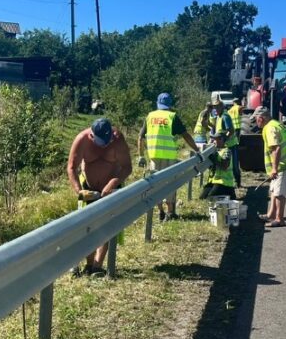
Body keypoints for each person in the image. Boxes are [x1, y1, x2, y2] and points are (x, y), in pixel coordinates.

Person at [67, 117, 132, 274]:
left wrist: (114, 182)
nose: (106, 144)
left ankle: (97, 267)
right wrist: (79, 191)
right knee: (87, 227)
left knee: (105, 228)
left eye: (108, 140)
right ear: (92, 136)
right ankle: (88, 264)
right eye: (102, 141)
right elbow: (71, 167)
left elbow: (127, 167)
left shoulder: (117, 139)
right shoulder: (82, 140)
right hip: (88, 189)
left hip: (110, 190)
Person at [137, 92, 200, 221]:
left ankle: (160, 211)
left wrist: (141, 155)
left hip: (154, 155)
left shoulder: (150, 116)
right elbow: (185, 135)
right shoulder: (172, 116)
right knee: (170, 183)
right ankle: (170, 212)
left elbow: (140, 137)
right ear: (170, 104)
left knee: (156, 184)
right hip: (169, 156)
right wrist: (196, 149)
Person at [252, 106, 286, 227]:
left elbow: (276, 148)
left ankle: (279, 219)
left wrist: (274, 168)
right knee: (273, 189)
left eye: (256, 119)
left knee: (279, 192)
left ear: (261, 118)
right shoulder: (275, 124)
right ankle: (270, 215)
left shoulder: (270, 128)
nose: (255, 121)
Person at [199, 130, 237, 200]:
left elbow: (224, 166)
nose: (213, 141)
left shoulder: (227, 151)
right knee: (202, 198)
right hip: (214, 181)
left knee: (210, 198)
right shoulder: (215, 150)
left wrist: (213, 159)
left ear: (221, 139)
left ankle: (229, 194)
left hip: (224, 183)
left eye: (215, 139)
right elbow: (211, 167)